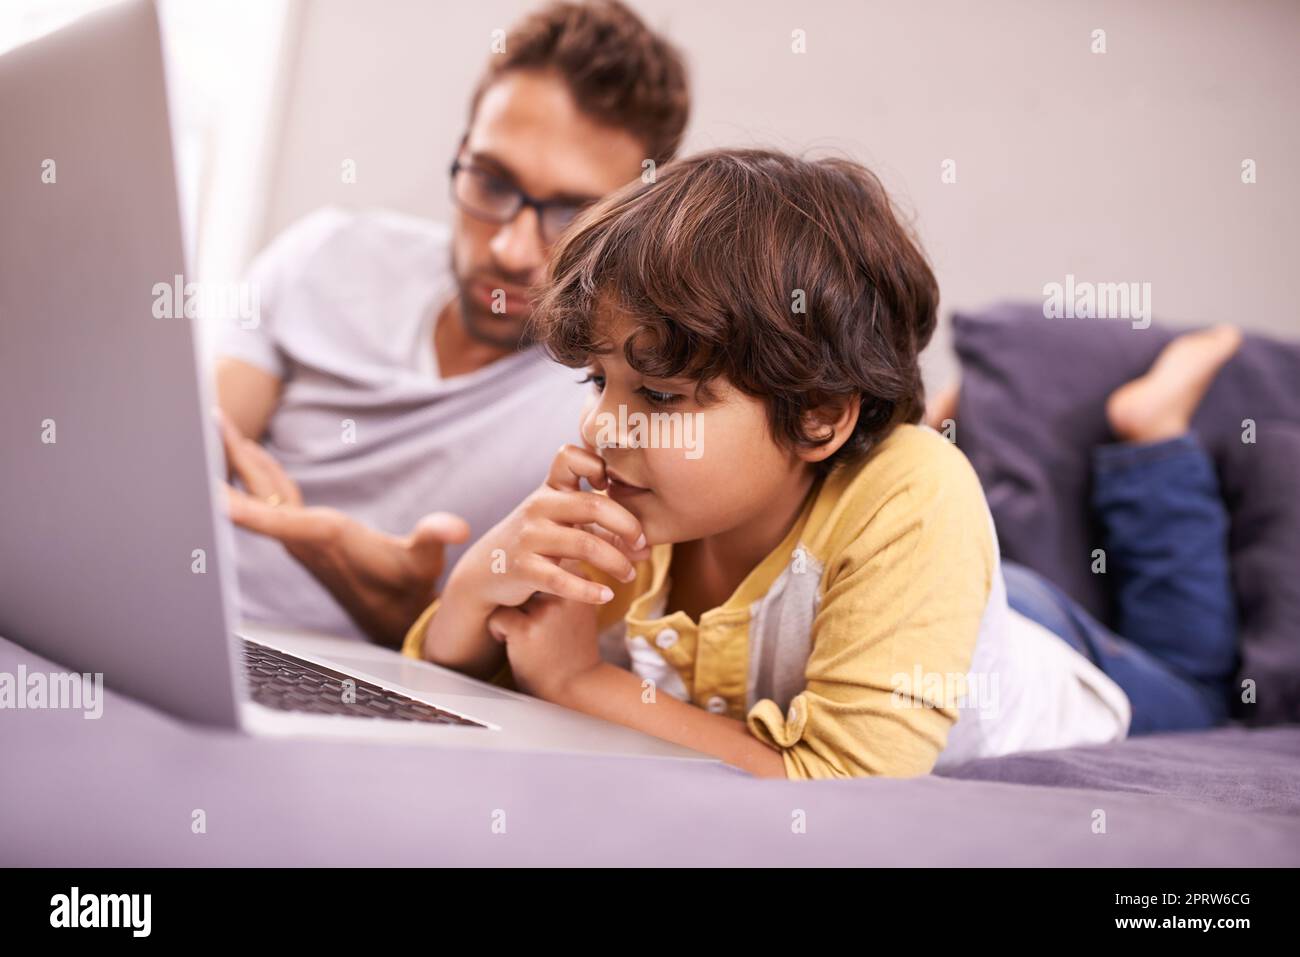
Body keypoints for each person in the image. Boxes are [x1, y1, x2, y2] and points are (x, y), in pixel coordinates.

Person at [399, 149, 1145, 780]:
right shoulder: (643, 497)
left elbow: (845, 782)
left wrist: (580, 681)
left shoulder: (917, 497)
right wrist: (474, 587)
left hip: (1048, 655)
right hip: (892, 580)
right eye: (600, 381)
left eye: (660, 394)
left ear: (818, 413)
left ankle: (1154, 442)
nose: (600, 424)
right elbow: (494, 676)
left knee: (1196, 671)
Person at [214, 0, 690, 647]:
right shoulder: (325, 256)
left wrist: (406, 613)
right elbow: (178, 469)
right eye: (492, 183)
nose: (511, 250)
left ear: (628, 227)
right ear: (462, 153)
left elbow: (514, 671)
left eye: (570, 216)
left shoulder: (615, 410)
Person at [929, 325, 1244, 736]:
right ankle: (1155, 444)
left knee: (1193, 692)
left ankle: (1156, 443)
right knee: (1197, 694)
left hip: (993, 603)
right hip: (998, 593)